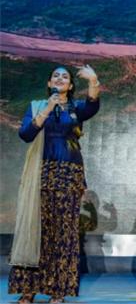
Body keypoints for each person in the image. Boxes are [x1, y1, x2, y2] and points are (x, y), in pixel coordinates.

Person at [8, 65, 101, 304]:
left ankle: (58, 290)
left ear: (70, 86)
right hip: (41, 172)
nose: (60, 78)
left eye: (65, 76)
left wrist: (93, 80)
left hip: (69, 174)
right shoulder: (37, 106)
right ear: (49, 84)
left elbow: (92, 106)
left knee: (63, 233)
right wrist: (48, 108)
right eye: (56, 76)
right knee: (36, 228)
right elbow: (26, 134)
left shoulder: (75, 108)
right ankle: (28, 288)